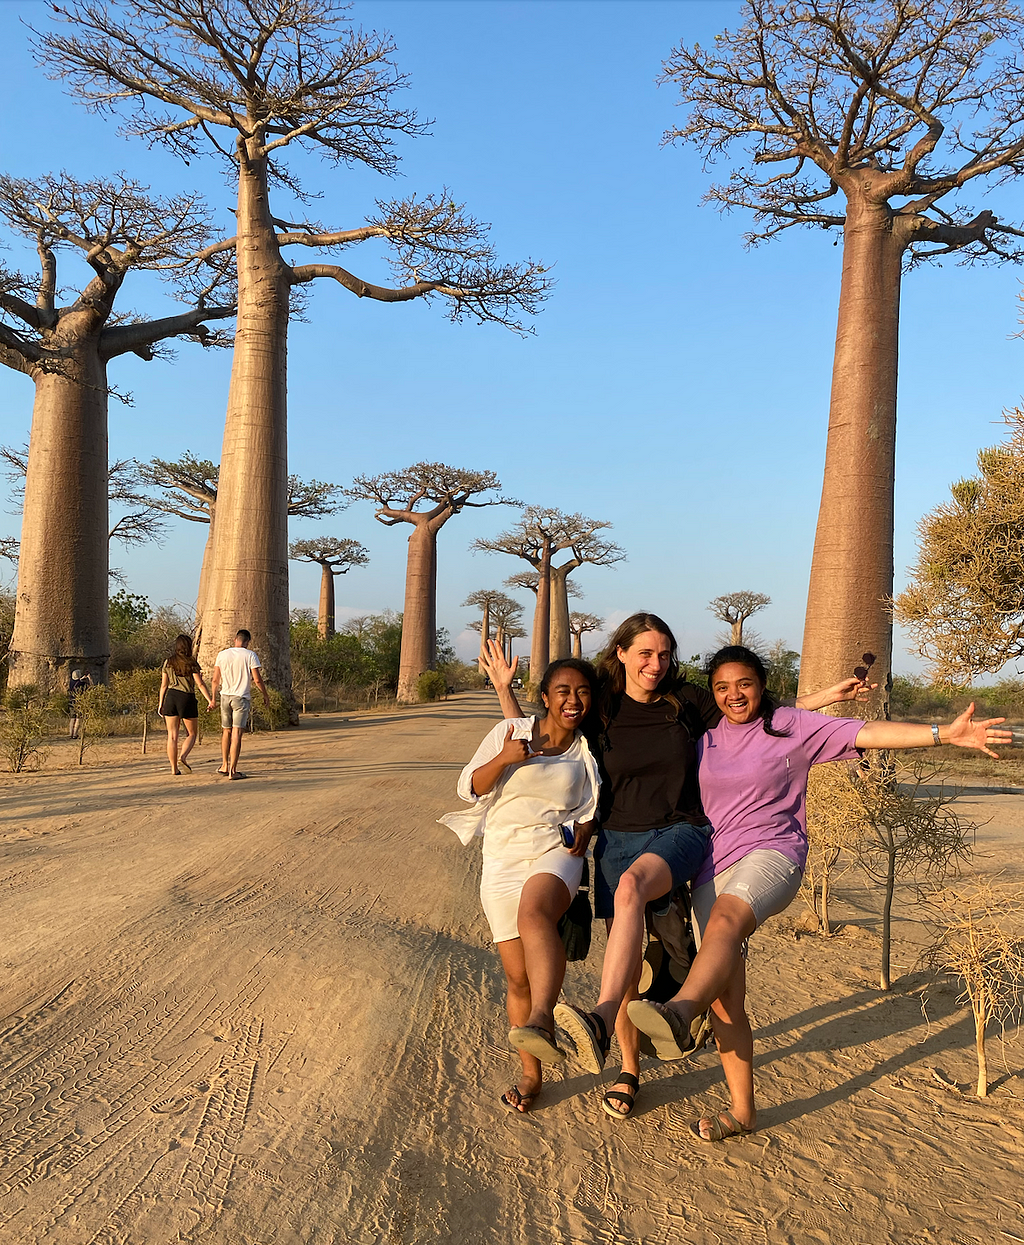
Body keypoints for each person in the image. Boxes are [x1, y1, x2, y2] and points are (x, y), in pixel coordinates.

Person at [625, 644, 1012, 1143]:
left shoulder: (792, 726)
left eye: (744, 683)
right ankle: (743, 1111)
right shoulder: (704, 736)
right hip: (709, 868)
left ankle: (678, 1013)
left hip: (773, 853)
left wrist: (944, 734)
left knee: (723, 924)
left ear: (762, 684)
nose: (733, 695)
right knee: (725, 1001)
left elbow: (868, 733)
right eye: (721, 687)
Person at [483, 617, 865, 1119]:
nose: (655, 665)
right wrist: (505, 695)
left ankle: (656, 1018)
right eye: (644, 654)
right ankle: (628, 1068)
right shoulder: (602, 703)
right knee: (626, 961)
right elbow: (547, 731)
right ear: (619, 653)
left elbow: (752, 712)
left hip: (678, 831)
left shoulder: (685, 699)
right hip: (617, 840)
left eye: (664, 654)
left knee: (664, 948)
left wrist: (824, 699)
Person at [439, 659, 601, 1114]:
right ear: (545, 696)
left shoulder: (588, 749)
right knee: (516, 977)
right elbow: (468, 787)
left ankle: (544, 1019)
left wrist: (587, 829)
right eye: (564, 691)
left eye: (583, 691)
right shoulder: (510, 733)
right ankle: (532, 1074)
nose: (574, 700)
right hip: (503, 859)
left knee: (534, 913)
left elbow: (594, 804)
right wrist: (505, 758)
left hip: (556, 853)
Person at [210, 629, 270, 780]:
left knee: (226, 731)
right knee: (237, 733)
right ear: (247, 641)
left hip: (225, 696)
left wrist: (213, 699)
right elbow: (257, 679)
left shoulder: (222, 654)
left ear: (235, 639)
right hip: (241, 698)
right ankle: (233, 771)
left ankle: (224, 765)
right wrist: (265, 695)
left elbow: (215, 679)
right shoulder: (250, 655)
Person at [157, 634, 214, 776]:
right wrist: (210, 700)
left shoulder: (168, 662)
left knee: (172, 735)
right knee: (192, 733)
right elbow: (200, 684)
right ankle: (182, 757)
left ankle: (173, 769)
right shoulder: (191, 662)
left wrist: (160, 703)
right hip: (186, 697)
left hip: (170, 697)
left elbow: (163, 685)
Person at [67, 668, 92, 738]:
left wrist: (83, 677)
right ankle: (75, 734)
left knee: (72, 718)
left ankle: (70, 734)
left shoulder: (71, 682)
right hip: (79, 702)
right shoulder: (82, 683)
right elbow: (91, 686)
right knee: (78, 718)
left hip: (71, 701)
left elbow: (77, 681)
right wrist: (89, 678)